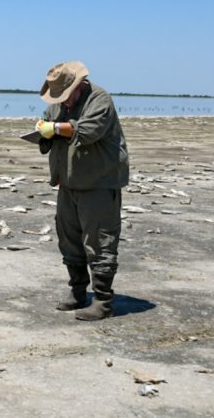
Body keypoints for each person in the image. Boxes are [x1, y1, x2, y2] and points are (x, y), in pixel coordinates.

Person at [35, 61, 129, 321]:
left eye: (65, 95)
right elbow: (51, 128)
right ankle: (77, 292)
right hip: (68, 183)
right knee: (69, 239)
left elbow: (87, 131)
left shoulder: (100, 100)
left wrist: (54, 128)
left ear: (78, 86)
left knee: (100, 241)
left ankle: (103, 301)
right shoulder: (58, 104)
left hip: (99, 183)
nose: (61, 102)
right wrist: (43, 130)